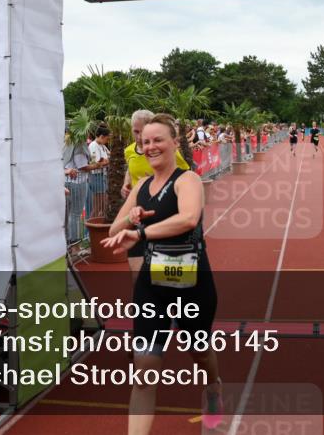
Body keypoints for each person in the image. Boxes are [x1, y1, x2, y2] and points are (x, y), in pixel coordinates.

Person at [101, 114, 223, 433]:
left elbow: (188, 218)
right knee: (144, 371)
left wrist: (141, 232)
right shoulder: (141, 186)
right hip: (152, 285)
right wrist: (133, 216)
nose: (151, 146)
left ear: (174, 143)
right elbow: (114, 229)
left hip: (192, 283)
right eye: (145, 142)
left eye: (158, 140)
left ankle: (213, 387)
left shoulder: (187, 180)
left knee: (199, 351)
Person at [118, 110, 191, 279]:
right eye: (135, 131)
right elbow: (130, 169)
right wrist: (125, 184)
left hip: (162, 214)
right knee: (138, 275)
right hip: (137, 215)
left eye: (142, 131)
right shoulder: (129, 151)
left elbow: (183, 173)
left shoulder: (168, 150)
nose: (138, 136)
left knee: (166, 278)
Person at [62, 127, 92, 244]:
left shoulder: (67, 143)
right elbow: (81, 165)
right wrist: (97, 166)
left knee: (67, 214)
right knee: (75, 214)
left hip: (66, 181)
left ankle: (67, 241)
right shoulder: (79, 144)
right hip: (77, 182)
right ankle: (74, 243)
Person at [86, 125, 111, 218]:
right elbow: (98, 163)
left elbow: (109, 157)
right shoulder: (93, 146)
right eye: (107, 139)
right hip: (96, 177)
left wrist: (106, 161)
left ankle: (97, 223)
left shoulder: (102, 146)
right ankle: (89, 227)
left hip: (102, 176)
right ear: (101, 136)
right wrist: (106, 161)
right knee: (98, 205)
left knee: (103, 205)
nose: (107, 141)